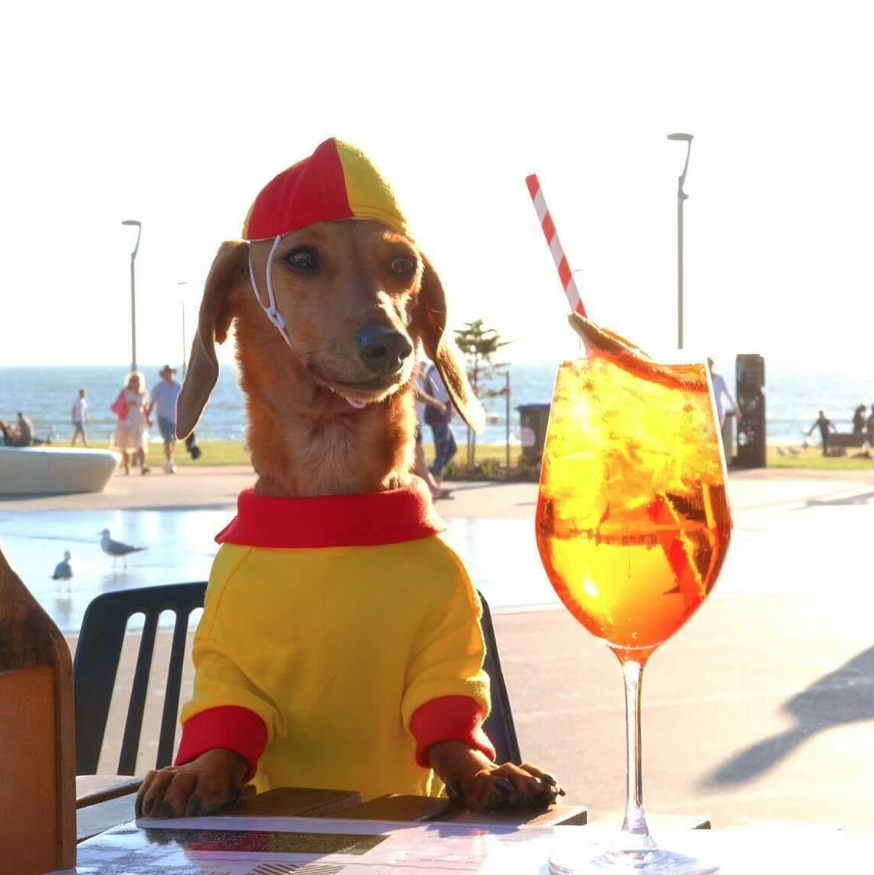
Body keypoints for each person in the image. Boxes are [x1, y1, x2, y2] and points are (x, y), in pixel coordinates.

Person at [413, 362, 452, 500]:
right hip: (409, 421)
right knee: (419, 458)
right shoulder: (408, 375)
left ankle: (430, 488)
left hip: (414, 421)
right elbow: (415, 393)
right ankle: (433, 488)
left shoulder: (416, 375)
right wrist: (436, 403)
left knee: (417, 458)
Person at [111, 371, 151, 475]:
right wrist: (127, 403)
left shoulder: (143, 393)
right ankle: (127, 467)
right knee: (125, 445)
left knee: (140, 443)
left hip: (139, 420)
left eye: (136, 380)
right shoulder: (125, 391)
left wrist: (148, 419)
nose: (134, 382)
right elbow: (117, 403)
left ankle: (143, 466)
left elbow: (146, 408)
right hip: (126, 419)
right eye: (132, 380)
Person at [424, 361, 457, 481]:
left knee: (451, 449)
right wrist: (454, 391)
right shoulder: (435, 372)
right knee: (442, 453)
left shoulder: (439, 371)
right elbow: (440, 397)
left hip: (442, 418)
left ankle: (434, 476)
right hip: (437, 417)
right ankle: (434, 480)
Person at [147, 365, 183, 474]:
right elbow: (152, 403)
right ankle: (170, 462)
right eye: (166, 372)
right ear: (163, 374)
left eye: (170, 372)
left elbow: (183, 402)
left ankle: (169, 461)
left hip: (176, 418)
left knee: (173, 441)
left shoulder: (178, 387)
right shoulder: (158, 387)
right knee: (168, 440)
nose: (168, 374)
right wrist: (148, 417)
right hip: (163, 418)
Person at [707, 358, 742, 429]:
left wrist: (736, 409)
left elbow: (729, 395)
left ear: (712, 366)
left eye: (709, 365)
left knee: (716, 434)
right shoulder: (702, 379)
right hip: (707, 413)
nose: (708, 367)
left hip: (719, 412)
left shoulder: (720, 379)